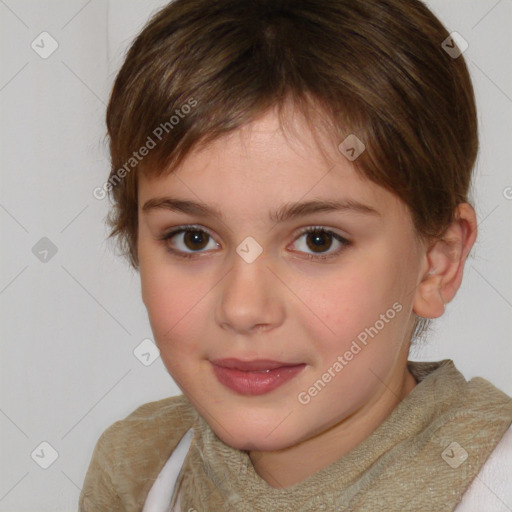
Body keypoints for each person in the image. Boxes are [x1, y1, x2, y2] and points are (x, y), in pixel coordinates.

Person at [80, 0, 512, 510]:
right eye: (193, 238)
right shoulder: (139, 468)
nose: (242, 309)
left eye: (318, 241)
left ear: (437, 263)